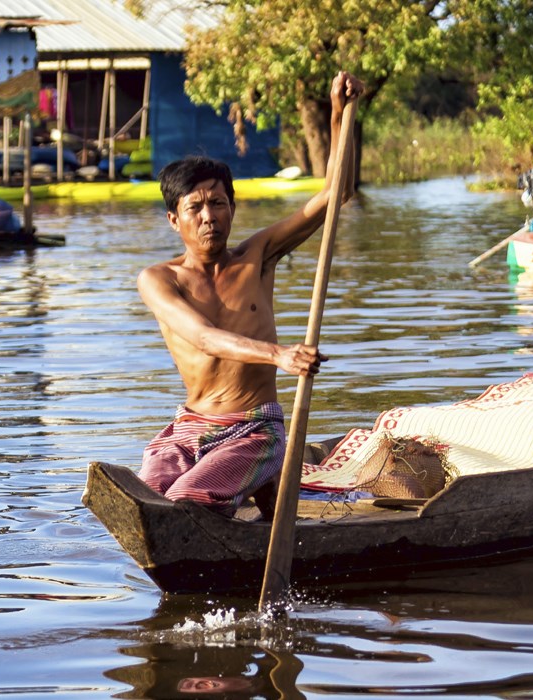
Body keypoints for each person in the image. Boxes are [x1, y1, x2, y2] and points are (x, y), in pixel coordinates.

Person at [135, 71, 363, 518]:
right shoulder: (159, 279)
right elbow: (202, 336)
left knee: (185, 503)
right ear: (173, 220)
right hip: (189, 428)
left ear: (233, 209)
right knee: (144, 502)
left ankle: (257, 485)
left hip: (254, 428)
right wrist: (277, 354)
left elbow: (337, 194)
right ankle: (262, 497)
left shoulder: (256, 255)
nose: (208, 217)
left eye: (218, 204)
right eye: (194, 208)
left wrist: (338, 116)